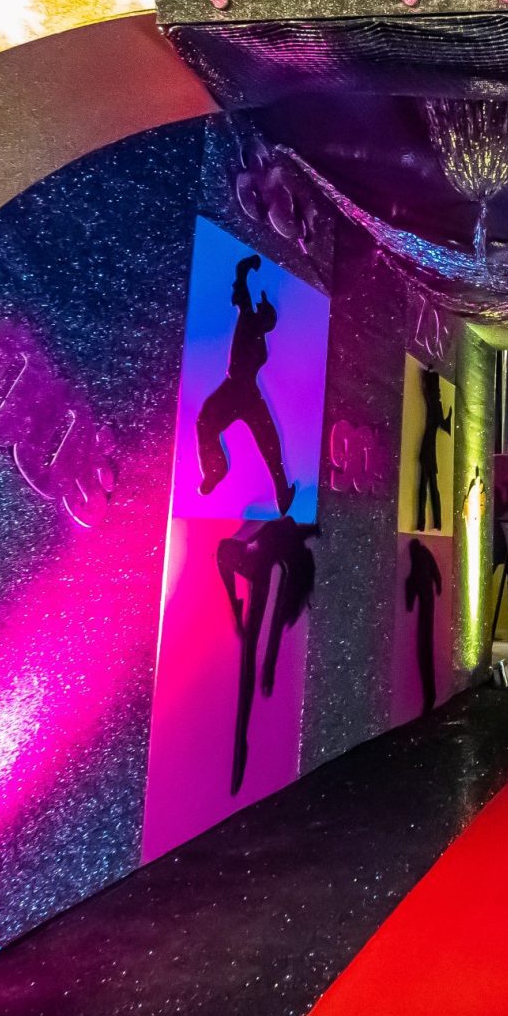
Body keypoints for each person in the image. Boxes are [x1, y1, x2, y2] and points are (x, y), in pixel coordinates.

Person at [218, 514, 317, 794]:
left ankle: (266, 678)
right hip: (267, 566)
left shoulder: (277, 552)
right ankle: (242, 746)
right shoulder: (269, 546)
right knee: (257, 639)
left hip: (272, 567)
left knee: (262, 634)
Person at [196, 255, 293, 514]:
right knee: (206, 424)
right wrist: (245, 269)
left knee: (270, 444)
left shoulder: (260, 336)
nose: (267, 320)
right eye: (267, 316)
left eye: (269, 319)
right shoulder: (248, 317)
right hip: (234, 389)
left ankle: (282, 495)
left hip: (248, 392)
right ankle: (215, 470)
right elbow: (242, 290)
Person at [404, 540, 442, 710]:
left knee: (424, 645)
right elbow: (435, 572)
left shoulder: (418, 558)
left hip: (425, 602)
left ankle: (430, 697)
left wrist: (409, 603)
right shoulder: (424, 554)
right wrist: (438, 585)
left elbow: (413, 580)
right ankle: (430, 696)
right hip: (428, 600)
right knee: (426, 644)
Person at [412, 369, 450, 531]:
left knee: (426, 487)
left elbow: (440, 422)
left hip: (427, 447)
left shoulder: (433, 402)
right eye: (439, 389)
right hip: (429, 449)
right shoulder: (436, 403)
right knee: (431, 488)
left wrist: (427, 378)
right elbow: (443, 424)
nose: (440, 392)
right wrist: (449, 416)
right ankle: (436, 522)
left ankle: (425, 523)